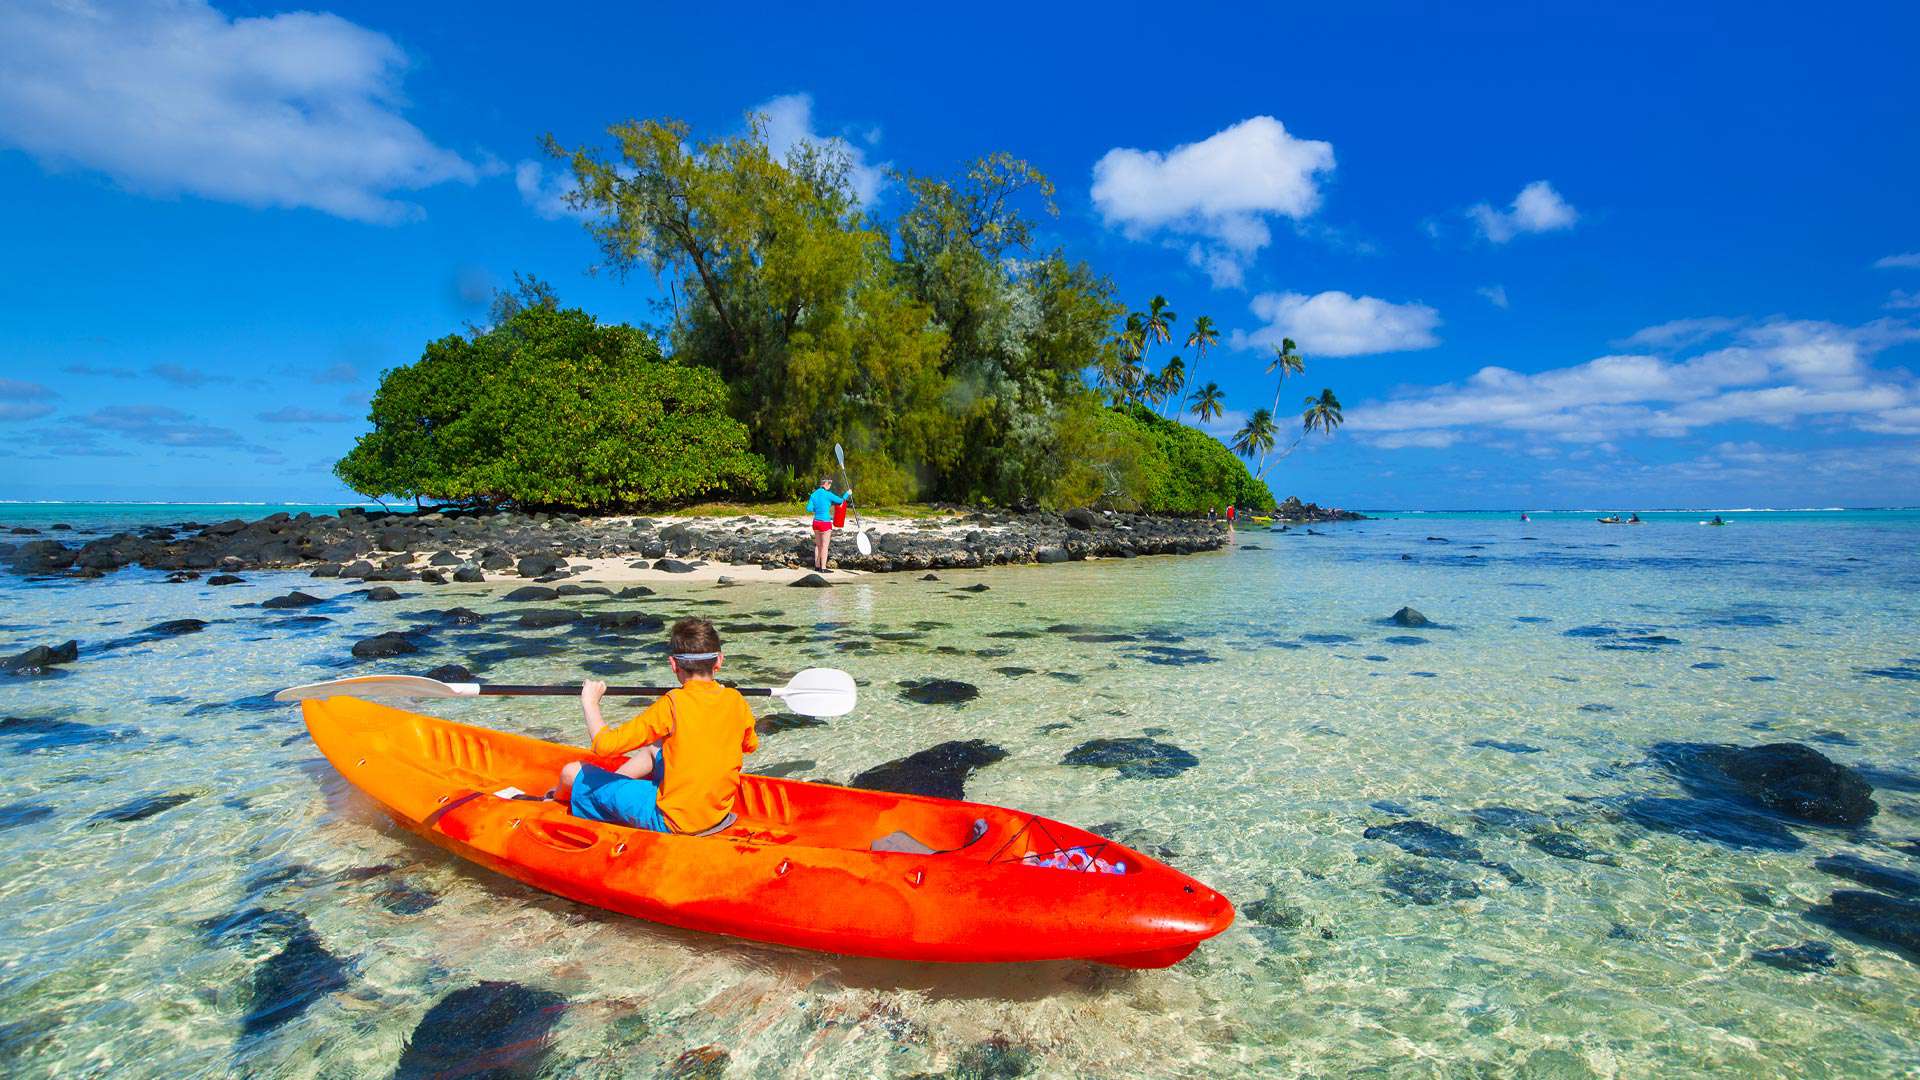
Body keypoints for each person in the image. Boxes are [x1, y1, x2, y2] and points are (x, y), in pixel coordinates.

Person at [550, 618, 758, 835]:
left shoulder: (672, 704)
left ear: (673, 664)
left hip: (672, 820)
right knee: (655, 749)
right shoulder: (736, 700)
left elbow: (604, 746)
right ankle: (614, 788)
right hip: (717, 813)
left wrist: (590, 702)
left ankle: (555, 801)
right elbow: (749, 745)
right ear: (719, 661)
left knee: (571, 771)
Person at [806, 476, 851, 572]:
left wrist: (817, 510)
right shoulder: (828, 494)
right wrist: (847, 493)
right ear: (826, 484)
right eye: (830, 484)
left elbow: (809, 508)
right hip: (825, 523)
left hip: (816, 522)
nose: (830, 486)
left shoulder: (814, 494)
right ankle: (823, 568)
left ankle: (817, 566)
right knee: (825, 546)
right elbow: (840, 501)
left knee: (818, 546)